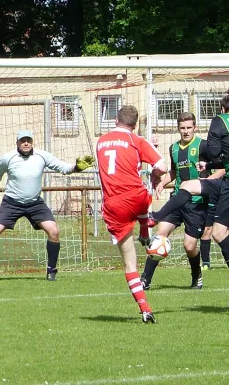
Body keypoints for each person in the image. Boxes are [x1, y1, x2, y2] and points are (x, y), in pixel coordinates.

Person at [148, 91, 229, 307]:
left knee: (216, 230)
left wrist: (210, 160)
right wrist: (210, 165)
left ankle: (155, 216)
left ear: (223, 111)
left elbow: (215, 151)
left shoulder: (220, 120)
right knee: (214, 225)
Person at [0, 129, 94, 282]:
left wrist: (77, 167)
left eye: (29, 140)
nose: (26, 143)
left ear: (32, 142)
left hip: (35, 203)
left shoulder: (42, 156)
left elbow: (63, 168)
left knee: (54, 232)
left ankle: (51, 271)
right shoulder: (7, 158)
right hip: (11, 203)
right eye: (22, 140)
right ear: (17, 142)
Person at [96, 105, 168, 324]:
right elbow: (163, 167)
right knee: (142, 199)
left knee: (130, 263)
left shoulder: (101, 141)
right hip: (137, 198)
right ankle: (145, 232)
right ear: (135, 125)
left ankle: (145, 308)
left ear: (116, 120)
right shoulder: (137, 141)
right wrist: (154, 174)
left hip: (114, 204)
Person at [140, 112, 218, 291]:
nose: (186, 131)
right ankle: (146, 279)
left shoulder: (203, 146)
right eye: (182, 128)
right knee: (159, 237)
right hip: (177, 200)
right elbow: (174, 173)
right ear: (178, 129)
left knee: (189, 246)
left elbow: (218, 168)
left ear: (195, 128)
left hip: (197, 202)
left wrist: (208, 183)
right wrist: (162, 182)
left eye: (189, 127)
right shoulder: (173, 148)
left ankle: (196, 274)